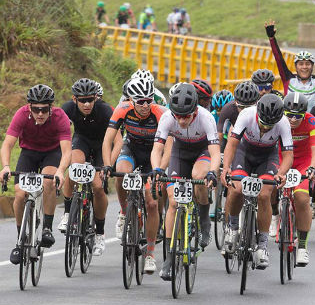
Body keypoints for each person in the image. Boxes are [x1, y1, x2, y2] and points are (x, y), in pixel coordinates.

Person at [151, 83, 221, 280]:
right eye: (178, 116)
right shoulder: (167, 117)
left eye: (186, 116)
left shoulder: (206, 118)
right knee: (173, 202)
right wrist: (157, 169)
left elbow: (215, 152)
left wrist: (213, 172)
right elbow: (157, 149)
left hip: (202, 152)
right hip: (180, 153)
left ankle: (205, 217)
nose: (181, 120)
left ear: (195, 111)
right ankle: (169, 256)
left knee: (199, 176)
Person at [0, 84, 72, 265]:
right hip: (29, 154)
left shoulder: (60, 117)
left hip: (51, 153)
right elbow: (7, 144)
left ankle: (47, 228)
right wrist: (6, 167)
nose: (40, 114)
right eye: (36, 109)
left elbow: (67, 150)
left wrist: (61, 172)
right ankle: (20, 239)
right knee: (20, 194)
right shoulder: (21, 115)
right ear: (29, 107)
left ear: (51, 107)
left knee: (48, 183)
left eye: (44, 109)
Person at [102, 77, 167, 274]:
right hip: (131, 148)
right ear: (131, 101)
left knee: (152, 203)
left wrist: (159, 170)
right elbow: (108, 141)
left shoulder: (161, 113)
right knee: (121, 174)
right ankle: (124, 212)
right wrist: (106, 165)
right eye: (141, 102)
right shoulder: (122, 109)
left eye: (149, 100)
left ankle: (150, 253)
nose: (146, 105)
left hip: (153, 154)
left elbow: (168, 147)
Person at [221, 94, 293, 269]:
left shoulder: (283, 122)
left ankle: (262, 245)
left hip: (268, 157)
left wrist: (281, 174)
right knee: (237, 189)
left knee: (265, 194)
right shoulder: (246, 114)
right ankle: (232, 228)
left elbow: (288, 155)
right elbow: (232, 143)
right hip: (244, 153)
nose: (266, 127)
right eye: (263, 123)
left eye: (270, 125)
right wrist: (226, 168)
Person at [58, 79, 121, 257]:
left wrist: (108, 165)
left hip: (103, 145)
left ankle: (99, 233)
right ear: (74, 99)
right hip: (82, 140)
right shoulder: (67, 108)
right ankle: (68, 212)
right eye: (82, 100)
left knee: (98, 186)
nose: (86, 104)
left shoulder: (105, 110)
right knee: (74, 168)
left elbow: (118, 142)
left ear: (95, 98)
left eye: (90, 100)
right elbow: (59, 134)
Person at [271, 92, 315, 266]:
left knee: (301, 198)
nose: (293, 120)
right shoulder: (278, 120)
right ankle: (275, 215)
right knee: (269, 186)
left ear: (304, 114)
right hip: (281, 159)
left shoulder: (312, 121)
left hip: (303, 163)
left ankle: (302, 246)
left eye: (298, 116)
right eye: (289, 115)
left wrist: (312, 168)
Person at [265, 20, 315, 112]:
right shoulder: (288, 80)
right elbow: (279, 59)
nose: (304, 67)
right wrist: (271, 38)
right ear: (296, 66)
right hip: (291, 123)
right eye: (301, 64)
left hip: (311, 125)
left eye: (308, 64)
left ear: (312, 66)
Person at [217, 81, 260, 149]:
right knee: (232, 131)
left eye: (249, 107)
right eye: (242, 107)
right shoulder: (228, 109)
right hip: (238, 137)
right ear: (235, 102)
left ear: (257, 103)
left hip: (257, 140)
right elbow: (219, 134)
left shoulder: (261, 109)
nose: (246, 111)